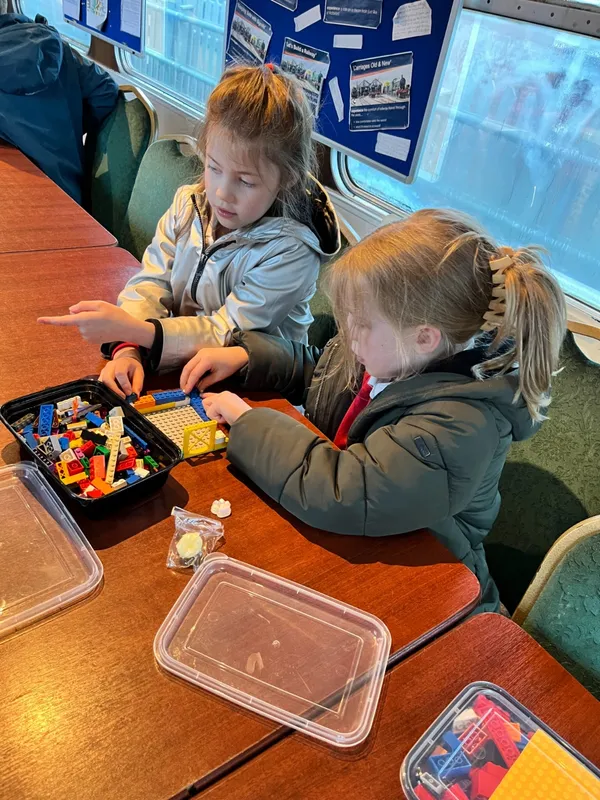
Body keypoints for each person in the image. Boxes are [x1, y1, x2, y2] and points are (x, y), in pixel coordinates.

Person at [181, 209, 567, 612]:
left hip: (437, 591)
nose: (348, 333)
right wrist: (249, 358)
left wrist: (248, 421)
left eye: (362, 322)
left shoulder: (460, 425)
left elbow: (346, 489)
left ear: (424, 338)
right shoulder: (396, 356)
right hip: (369, 545)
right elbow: (325, 374)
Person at [39, 64, 340, 399]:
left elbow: (228, 332)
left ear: (287, 179)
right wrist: (128, 349)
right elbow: (152, 281)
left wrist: (137, 331)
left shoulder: (292, 249)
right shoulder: (189, 203)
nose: (223, 192)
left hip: (250, 392)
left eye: (246, 181)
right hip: (182, 370)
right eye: (213, 167)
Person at [0, 5, 118, 203]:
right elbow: (106, 91)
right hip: (69, 191)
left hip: (19, 198)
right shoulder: (54, 44)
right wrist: (70, 125)